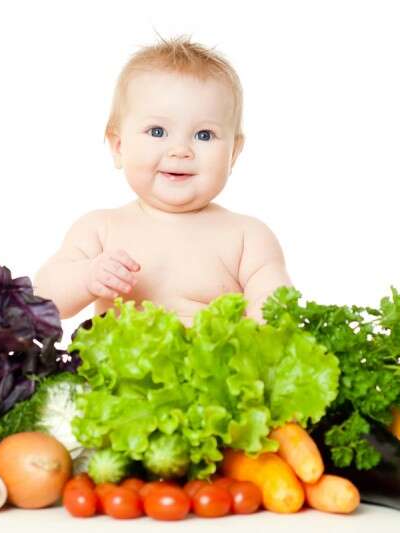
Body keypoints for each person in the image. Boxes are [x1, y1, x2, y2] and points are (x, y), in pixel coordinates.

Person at [35, 35, 292, 326]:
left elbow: (274, 306)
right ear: (119, 146)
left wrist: (263, 335)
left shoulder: (248, 238)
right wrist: (87, 276)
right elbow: (43, 297)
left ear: (233, 153)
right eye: (157, 131)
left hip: (212, 357)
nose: (180, 150)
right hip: (123, 357)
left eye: (204, 135)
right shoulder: (100, 229)